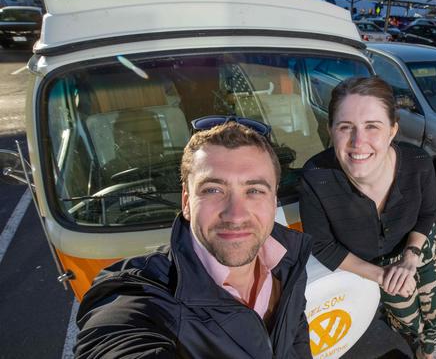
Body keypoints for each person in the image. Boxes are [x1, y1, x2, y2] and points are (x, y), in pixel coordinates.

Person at [75, 119, 313, 358]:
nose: (236, 215)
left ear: (273, 202)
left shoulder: (288, 261)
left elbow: (295, 336)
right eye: (213, 190)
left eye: (254, 190)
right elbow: (113, 341)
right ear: (187, 203)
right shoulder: (141, 293)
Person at [299, 76, 436, 359]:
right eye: (345, 127)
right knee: (409, 320)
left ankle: (427, 352)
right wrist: (383, 275)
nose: (358, 142)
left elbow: (427, 213)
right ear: (330, 130)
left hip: (421, 249)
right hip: (375, 267)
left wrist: (411, 257)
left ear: (392, 130)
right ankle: (416, 339)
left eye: (372, 126)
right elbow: (323, 246)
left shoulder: (418, 163)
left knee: (435, 311)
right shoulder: (316, 177)